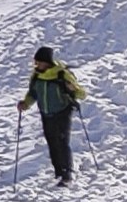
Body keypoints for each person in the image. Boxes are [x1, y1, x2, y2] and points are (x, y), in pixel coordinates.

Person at [18, 46, 88, 186]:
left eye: (38, 62)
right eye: (35, 62)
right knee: (52, 142)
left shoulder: (62, 74)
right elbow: (33, 93)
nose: (36, 65)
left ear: (47, 62)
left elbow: (82, 94)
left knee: (62, 142)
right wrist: (25, 104)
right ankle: (58, 172)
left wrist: (73, 89)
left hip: (63, 112)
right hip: (45, 112)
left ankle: (67, 174)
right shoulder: (36, 75)